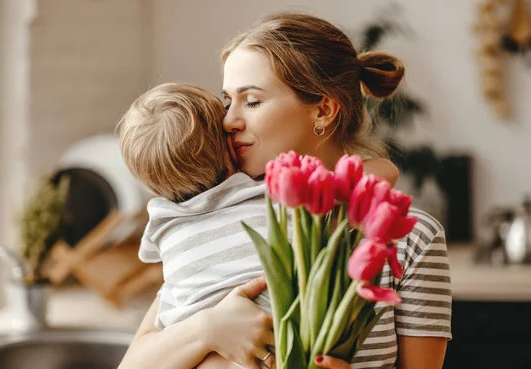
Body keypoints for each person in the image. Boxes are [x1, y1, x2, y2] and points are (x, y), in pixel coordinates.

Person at [119, 11, 451, 369]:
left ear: (323, 110)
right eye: (227, 101)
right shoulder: (213, 224)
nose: (228, 120)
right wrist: (206, 328)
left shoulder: (410, 237)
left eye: (253, 101)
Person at [116, 82, 400, 369]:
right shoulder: (268, 193)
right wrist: (322, 181)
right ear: (228, 144)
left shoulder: (163, 224)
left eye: (251, 102)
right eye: (227, 107)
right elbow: (385, 171)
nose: (234, 120)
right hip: (282, 350)